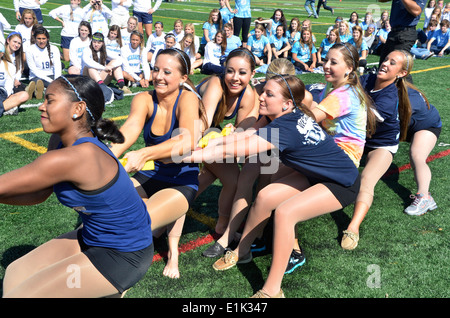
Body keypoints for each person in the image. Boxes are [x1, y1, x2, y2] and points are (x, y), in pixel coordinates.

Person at [185, 75, 360, 298]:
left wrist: (189, 155)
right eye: (263, 91)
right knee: (266, 196)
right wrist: (216, 140)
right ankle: (243, 251)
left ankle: (272, 290)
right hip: (318, 174)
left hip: (342, 182)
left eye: (269, 94)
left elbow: (237, 151)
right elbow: (247, 135)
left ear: (287, 104)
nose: (261, 96)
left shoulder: (284, 127)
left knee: (286, 213)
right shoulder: (285, 117)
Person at [1, 75, 154, 297]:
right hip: (94, 236)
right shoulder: (61, 141)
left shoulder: (76, 157)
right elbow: (41, 194)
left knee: (21, 295)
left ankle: (111, 289)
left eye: (50, 100)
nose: (41, 107)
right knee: (15, 272)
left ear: (78, 108)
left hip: (124, 255)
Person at [109, 48, 206, 279]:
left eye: (167, 72)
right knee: (114, 209)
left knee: (140, 221)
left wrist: (144, 154)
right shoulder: (144, 98)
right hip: (152, 175)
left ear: (183, 78)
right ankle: (156, 227)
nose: (158, 76)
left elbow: (187, 140)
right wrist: (106, 156)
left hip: (181, 179)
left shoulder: (188, 98)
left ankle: (173, 254)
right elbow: (129, 131)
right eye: (155, 69)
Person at [341, 50, 413, 250]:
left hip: (380, 144)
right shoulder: (368, 79)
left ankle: (353, 227)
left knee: (366, 180)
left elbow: (361, 122)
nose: (385, 64)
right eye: (386, 59)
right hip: (359, 138)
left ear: (401, 73)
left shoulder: (389, 98)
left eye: (393, 63)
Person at [195, 48, 258, 237]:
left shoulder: (249, 95)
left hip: (210, 134)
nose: (235, 77)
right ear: (224, 69)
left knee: (216, 177)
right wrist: (193, 149)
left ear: (253, 74)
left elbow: (240, 134)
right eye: (230, 71)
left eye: (242, 72)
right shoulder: (216, 83)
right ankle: (221, 225)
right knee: (227, 178)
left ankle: (221, 224)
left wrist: (226, 140)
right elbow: (202, 122)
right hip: (185, 127)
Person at [403, 77, 442, 216]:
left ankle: (424, 197)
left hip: (426, 126)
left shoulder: (411, 98)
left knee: (417, 156)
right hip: (406, 127)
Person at [378, 0, 427, 68]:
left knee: (397, 67)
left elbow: (416, 11)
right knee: (382, 66)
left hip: (405, 33)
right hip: (393, 32)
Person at [25, 26, 62, 100]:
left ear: (47, 39)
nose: (41, 41)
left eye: (43, 38)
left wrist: (57, 80)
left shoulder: (54, 49)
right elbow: (33, 70)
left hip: (51, 75)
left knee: (62, 86)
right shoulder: (30, 49)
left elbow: (58, 66)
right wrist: (50, 81)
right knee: (42, 83)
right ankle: (39, 90)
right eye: (39, 38)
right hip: (36, 77)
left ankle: (40, 90)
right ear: (35, 39)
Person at [0, 42, 29, 116]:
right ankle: (6, 108)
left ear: (2, 54)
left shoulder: (9, 66)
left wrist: (6, 97)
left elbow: (8, 86)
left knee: (24, 95)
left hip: (2, 93)